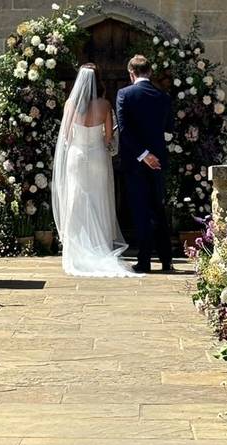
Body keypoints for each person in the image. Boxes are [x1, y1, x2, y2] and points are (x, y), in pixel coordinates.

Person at [52, 64, 139, 278]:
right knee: (99, 198)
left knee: (76, 199)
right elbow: (109, 138)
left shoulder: (70, 104)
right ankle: (99, 246)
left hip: (76, 156)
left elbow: (66, 137)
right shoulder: (104, 105)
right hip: (98, 156)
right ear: (98, 80)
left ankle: (76, 252)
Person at [115, 54, 175, 274]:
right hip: (158, 161)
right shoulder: (163, 96)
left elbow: (124, 130)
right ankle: (166, 259)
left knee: (141, 211)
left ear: (132, 73)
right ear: (149, 72)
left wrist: (143, 154)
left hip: (136, 161)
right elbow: (169, 128)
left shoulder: (124, 94)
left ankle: (144, 261)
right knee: (158, 209)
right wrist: (153, 153)